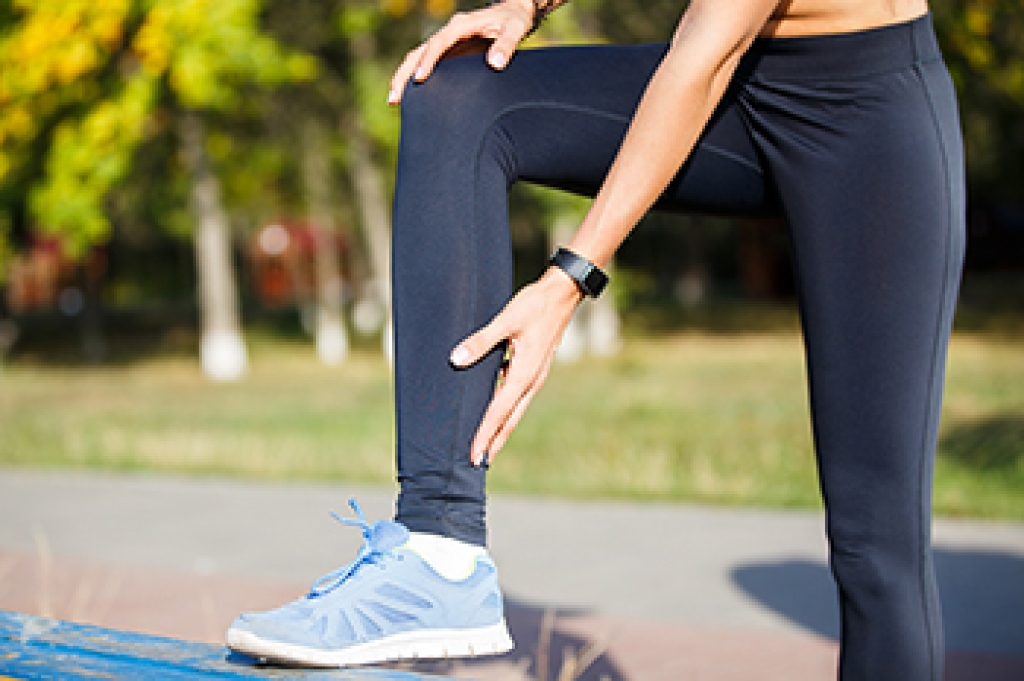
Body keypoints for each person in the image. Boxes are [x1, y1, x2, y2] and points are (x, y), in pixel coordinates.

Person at [227, 0, 964, 678]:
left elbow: (705, 54)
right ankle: (437, 552)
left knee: (875, 546)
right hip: (739, 89)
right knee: (457, 97)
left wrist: (570, 277)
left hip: (868, 127)